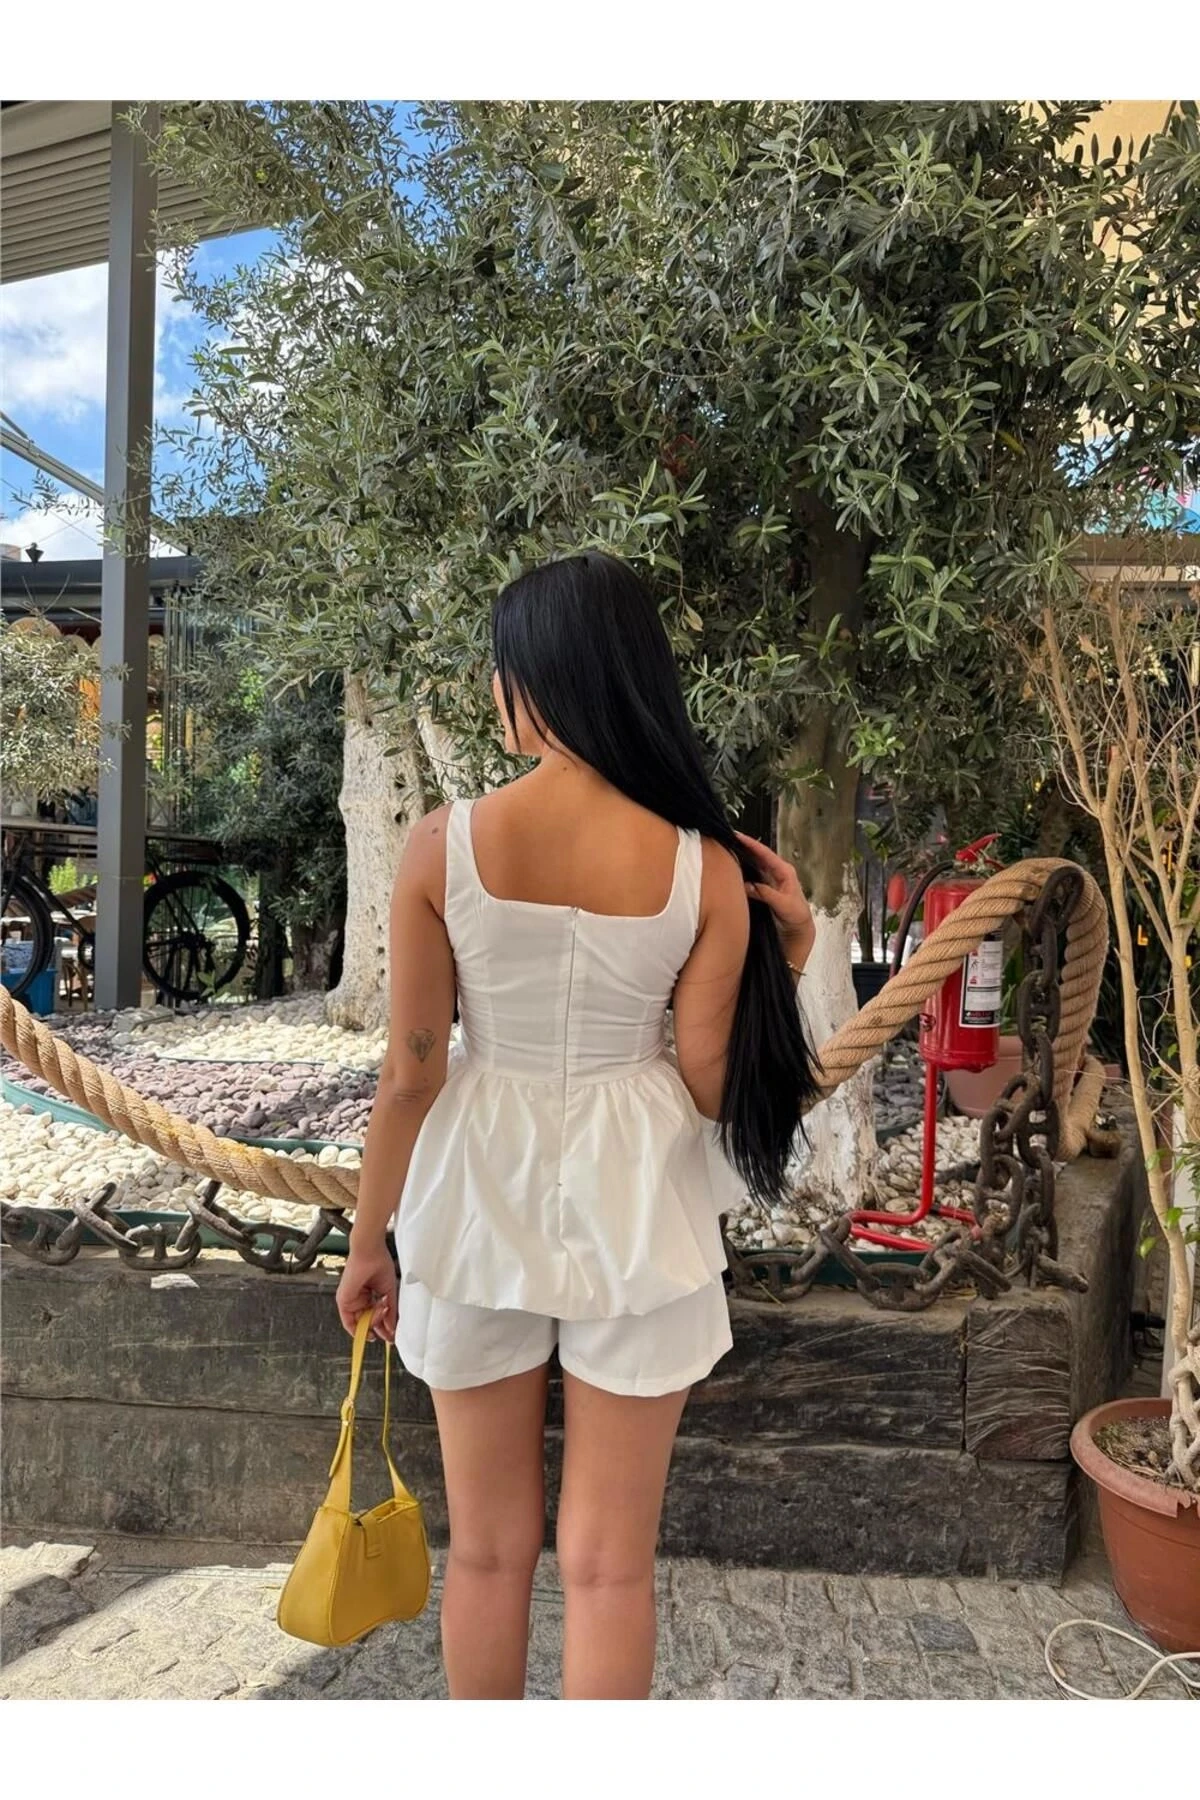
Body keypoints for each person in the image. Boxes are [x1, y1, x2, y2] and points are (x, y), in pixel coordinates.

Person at [336, 551, 820, 1700]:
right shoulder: (704, 867)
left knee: (487, 1552)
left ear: (538, 678)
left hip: (474, 1191)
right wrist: (791, 956)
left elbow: (411, 1074)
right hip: (641, 1195)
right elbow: (710, 1082)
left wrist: (368, 1240)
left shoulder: (442, 844)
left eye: (500, 667)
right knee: (609, 1569)